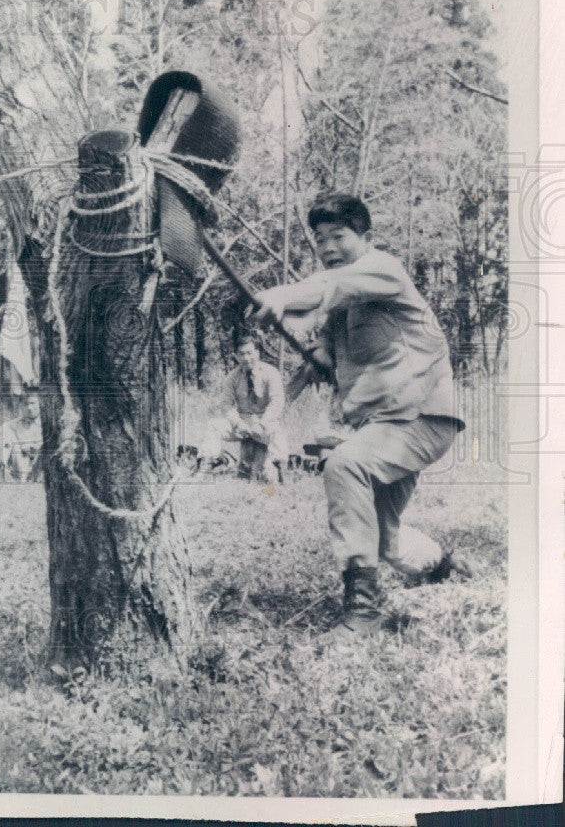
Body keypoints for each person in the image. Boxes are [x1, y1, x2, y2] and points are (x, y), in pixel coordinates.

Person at [251, 192, 472, 637]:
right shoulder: (339, 314)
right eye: (319, 240)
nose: (328, 247)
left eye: (339, 235)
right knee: (385, 539)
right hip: (384, 427)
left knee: (345, 463)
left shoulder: (383, 269)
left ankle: (364, 612)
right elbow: (327, 335)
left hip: (421, 416)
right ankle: (447, 568)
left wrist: (279, 293)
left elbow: (329, 286)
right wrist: (319, 357)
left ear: (365, 238)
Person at [202, 333, 287, 484]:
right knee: (213, 425)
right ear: (236, 356)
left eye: (249, 353)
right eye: (241, 354)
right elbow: (226, 404)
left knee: (278, 431)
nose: (246, 358)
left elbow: (277, 403)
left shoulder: (271, 373)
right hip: (241, 421)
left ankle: (281, 473)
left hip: (263, 421)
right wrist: (237, 423)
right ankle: (206, 467)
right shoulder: (232, 377)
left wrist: (262, 423)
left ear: (257, 353)